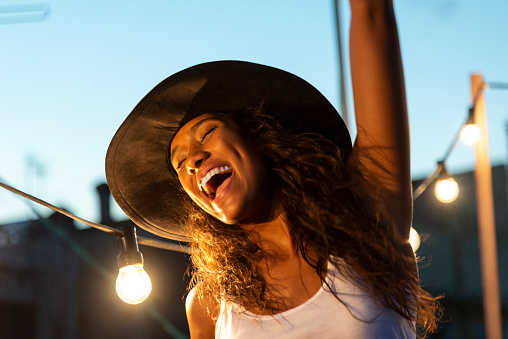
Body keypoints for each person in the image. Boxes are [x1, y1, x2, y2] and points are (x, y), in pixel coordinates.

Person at [106, 0, 441, 337]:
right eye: (179, 163)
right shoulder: (209, 305)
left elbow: (371, 14)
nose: (192, 160)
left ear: (259, 138)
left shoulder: (367, 217)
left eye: (207, 133)